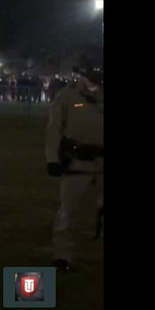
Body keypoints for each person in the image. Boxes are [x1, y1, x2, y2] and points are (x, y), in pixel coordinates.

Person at [46, 54, 103, 272]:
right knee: (68, 211)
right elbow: (53, 130)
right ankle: (62, 255)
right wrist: (52, 159)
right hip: (77, 162)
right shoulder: (67, 96)